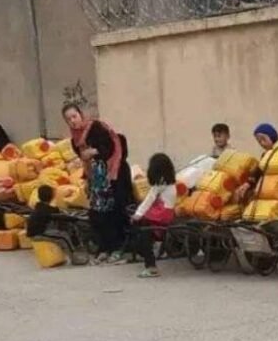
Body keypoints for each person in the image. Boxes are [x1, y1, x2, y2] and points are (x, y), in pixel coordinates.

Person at [62, 103, 128, 265]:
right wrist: (88, 180)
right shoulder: (75, 140)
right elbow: (85, 162)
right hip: (96, 179)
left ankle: (117, 248)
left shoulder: (96, 128)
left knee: (113, 212)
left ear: (81, 115)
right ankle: (104, 248)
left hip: (113, 174)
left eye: (74, 116)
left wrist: (93, 151)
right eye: (69, 119)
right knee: (97, 214)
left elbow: (110, 147)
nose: (73, 121)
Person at [130, 153, 180, 278]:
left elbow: (149, 200)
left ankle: (151, 266)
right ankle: (156, 245)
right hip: (166, 213)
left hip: (160, 213)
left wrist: (138, 214)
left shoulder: (160, 184)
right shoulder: (170, 183)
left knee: (142, 230)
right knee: (147, 230)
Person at [26, 185, 88, 265]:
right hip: (38, 233)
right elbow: (60, 216)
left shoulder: (42, 206)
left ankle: (77, 248)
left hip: (42, 229)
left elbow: (59, 214)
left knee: (67, 228)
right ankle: (74, 258)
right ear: (51, 196)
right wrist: (77, 218)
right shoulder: (44, 210)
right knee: (63, 237)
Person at [233, 123, 278, 203]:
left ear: (272, 136)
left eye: (263, 139)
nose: (262, 143)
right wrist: (247, 183)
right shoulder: (264, 155)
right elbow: (258, 171)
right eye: (259, 141)